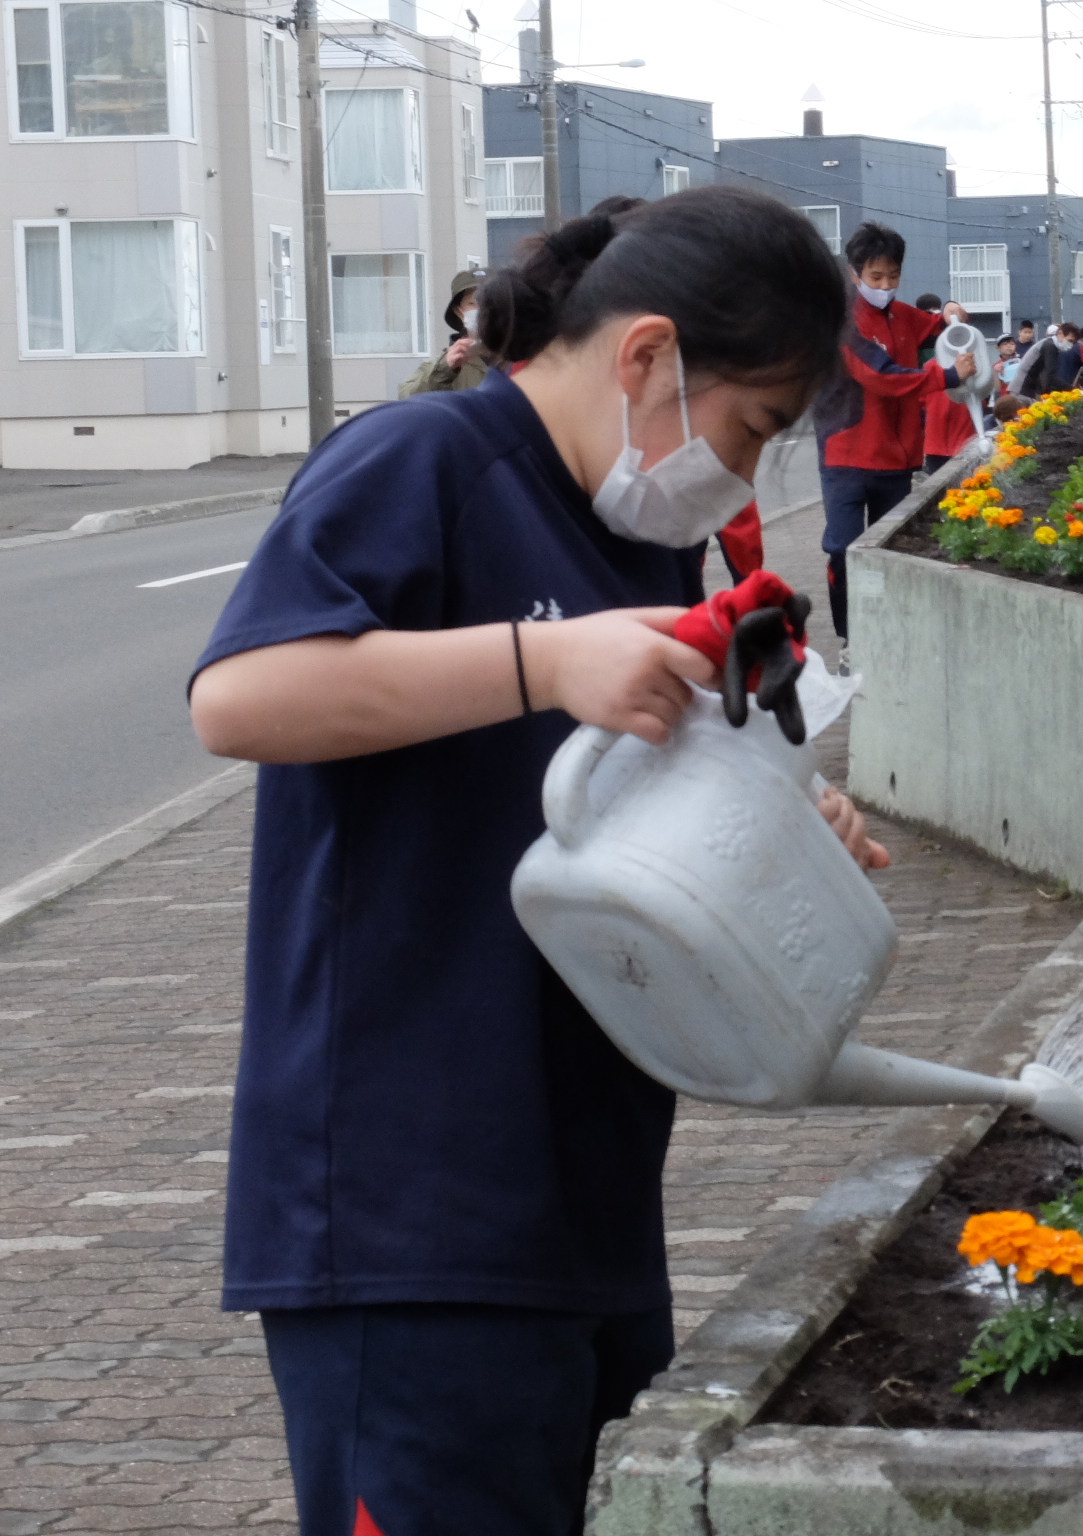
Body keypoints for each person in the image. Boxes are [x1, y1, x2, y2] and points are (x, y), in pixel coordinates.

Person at [184, 185, 886, 1536]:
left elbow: (611, 810)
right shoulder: (422, 462)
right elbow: (243, 696)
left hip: (582, 1190)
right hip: (408, 1215)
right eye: (749, 430)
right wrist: (547, 659)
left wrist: (778, 822)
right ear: (647, 358)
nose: (742, 481)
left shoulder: (641, 538)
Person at [814, 221, 974, 671]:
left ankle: (887, 635)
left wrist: (949, 310)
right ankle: (850, 641)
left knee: (890, 552)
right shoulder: (842, 322)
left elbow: (936, 325)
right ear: (854, 273)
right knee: (844, 551)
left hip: (897, 461)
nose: (885, 286)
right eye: (876, 277)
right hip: (847, 458)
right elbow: (881, 376)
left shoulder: (903, 316)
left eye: (893, 276)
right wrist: (946, 377)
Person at [397, 269, 492, 396]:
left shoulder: (522, 357)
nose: (482, 310)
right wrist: (445, 369)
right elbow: (408, 399)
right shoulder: (445, 365)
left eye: (490, 302)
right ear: (458, 311)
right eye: (472, 303)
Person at [922, 300, 982, 472]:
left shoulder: (976, 365)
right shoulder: (930, 366)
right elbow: (920, 404)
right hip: (935, 446)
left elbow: (983, 398)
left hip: (965, 442)